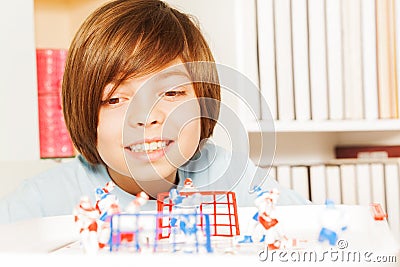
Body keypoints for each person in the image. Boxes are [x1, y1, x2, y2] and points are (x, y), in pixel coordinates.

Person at [0, 0, 309, 224]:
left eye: (172, 93)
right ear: (83, 114)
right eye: (115, 99)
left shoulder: (232, 176)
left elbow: (318, 227)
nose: (147, 117)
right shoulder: (39, 204)